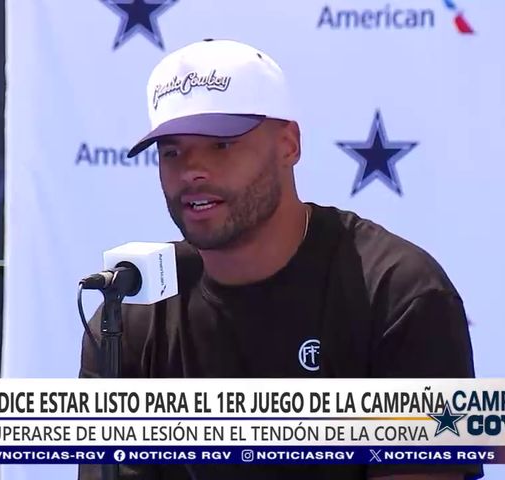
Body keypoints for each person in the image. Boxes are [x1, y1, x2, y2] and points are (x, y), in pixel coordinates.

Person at [79, 39, 482, 480]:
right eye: (171, 152)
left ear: (289, 144)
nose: (191, 170)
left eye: (221, 145)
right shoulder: (131, 313)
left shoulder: (397, 292)